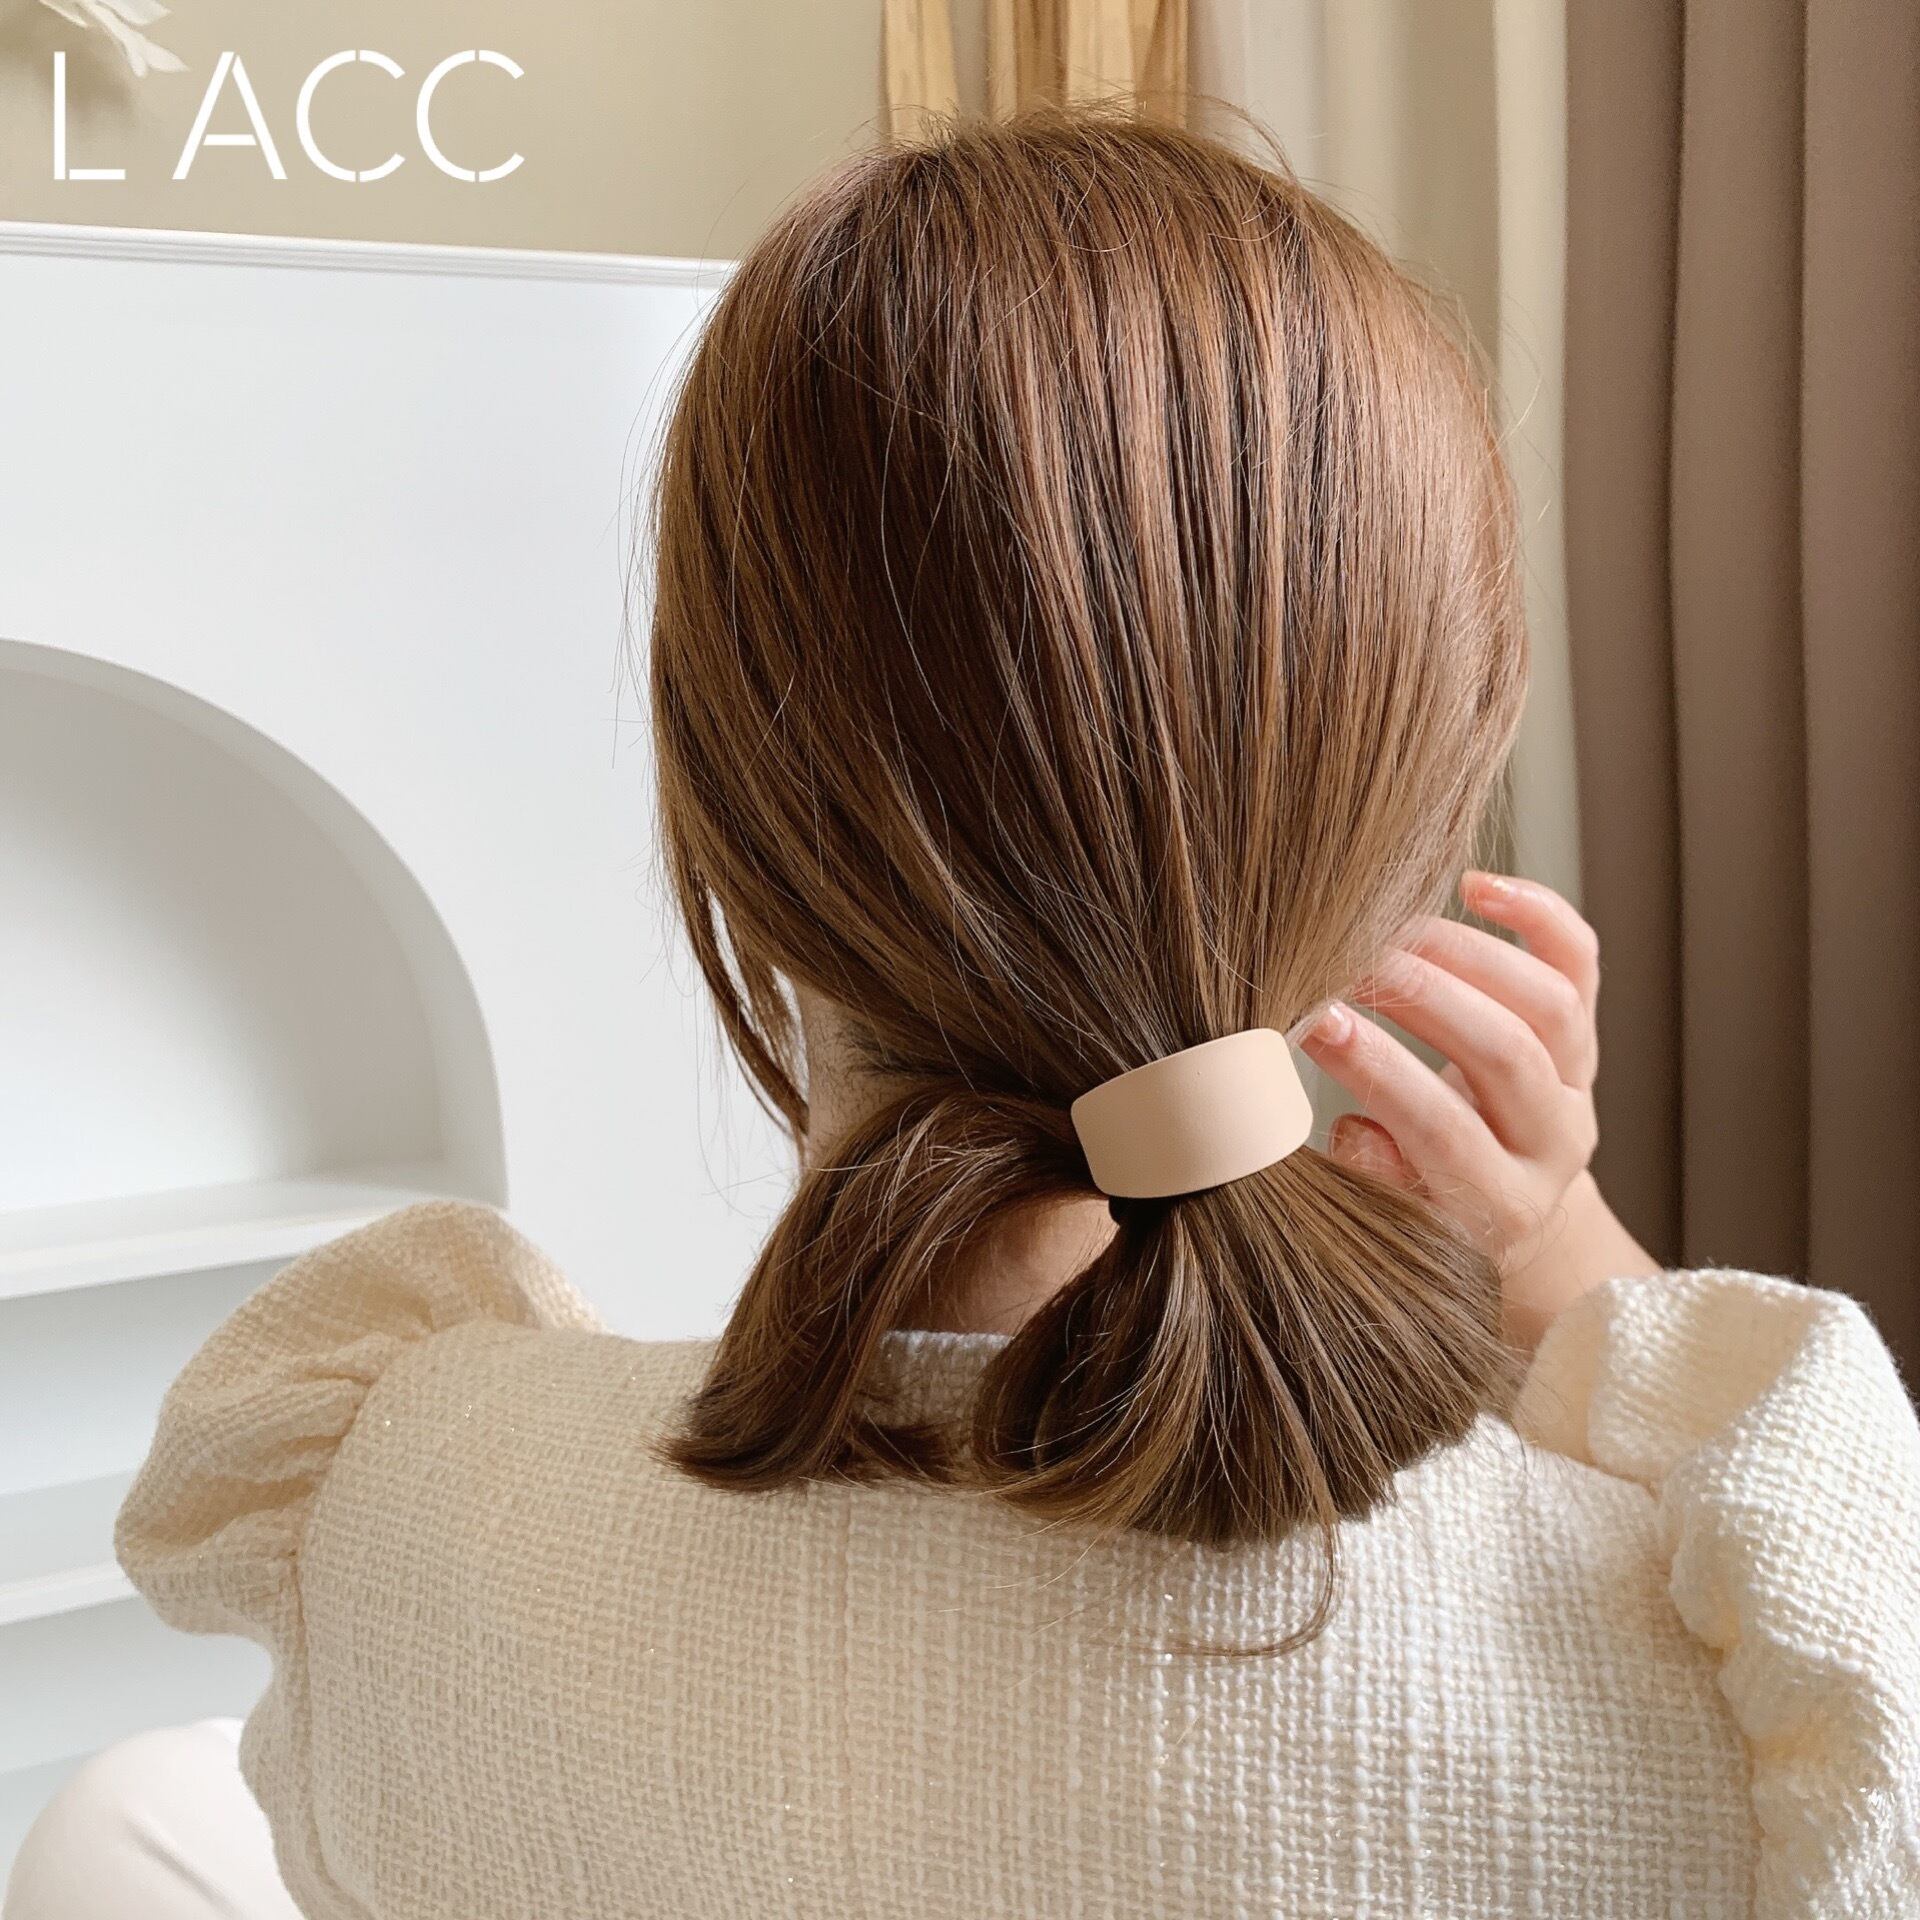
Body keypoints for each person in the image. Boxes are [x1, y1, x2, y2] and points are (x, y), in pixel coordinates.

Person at [8, 111, 1916, 1920]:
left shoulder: (403, 1513)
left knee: (127, 1807)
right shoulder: (1754, 1681)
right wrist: (1563, 1256)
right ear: (1412, 816)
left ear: (727, 819)